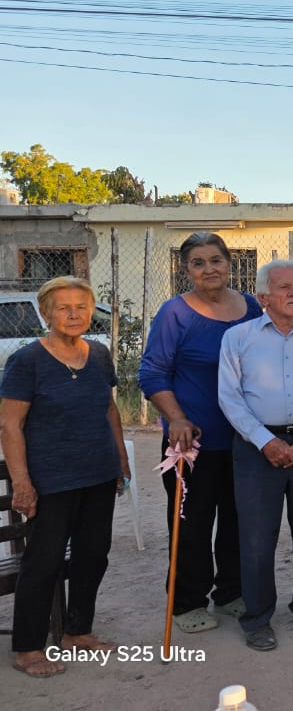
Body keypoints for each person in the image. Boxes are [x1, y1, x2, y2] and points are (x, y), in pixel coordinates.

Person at [2, 277, 131, 677]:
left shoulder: (99, 354)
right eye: (63, 307)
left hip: (98, 473)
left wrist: (121, 458)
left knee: (93, 555)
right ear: (45, 313)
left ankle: (77, 632)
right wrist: (22, 483)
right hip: (52, 479)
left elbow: (108, 409)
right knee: (43, 562)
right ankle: (28, 647)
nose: (74, 314)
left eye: (82, 306)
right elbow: (9, 425)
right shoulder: (27, 361)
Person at [138, 232, 263, 635]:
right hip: (192, 440)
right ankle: (188, 600)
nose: (209, 268)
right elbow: (153, 371)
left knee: (238, 519)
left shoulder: (252, 308)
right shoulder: (176, 313)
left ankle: (231, 591)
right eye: (198, 262)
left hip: (244, 437)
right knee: (190, 523)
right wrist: (174, 418)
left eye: (216, 260)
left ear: (229, 263)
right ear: (185, 268)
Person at [218, 259, 293, 651]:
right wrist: (265, 442)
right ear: (262, 297)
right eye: (284, 287)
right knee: (256, 537)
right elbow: (230, 399)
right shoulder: (238, 339)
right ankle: (256, 617)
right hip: (257, 449)